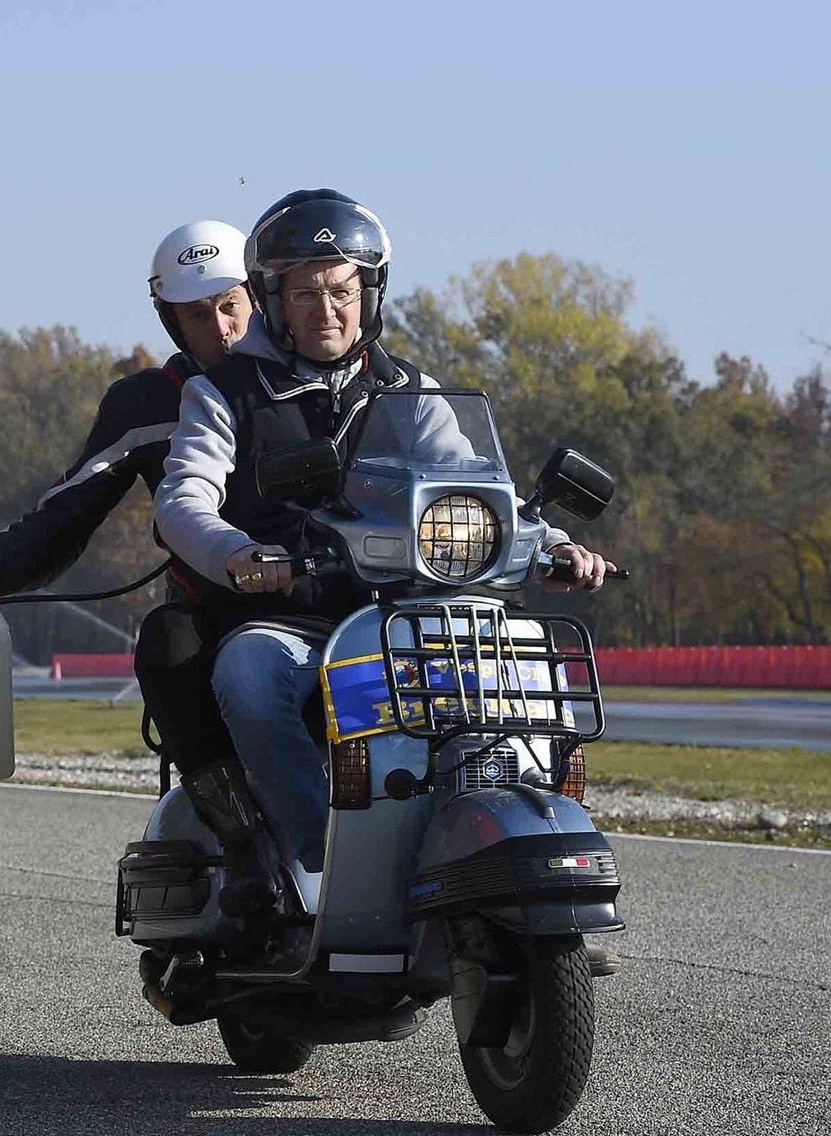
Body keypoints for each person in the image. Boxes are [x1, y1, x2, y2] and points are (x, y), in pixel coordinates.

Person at [154, 189, 617, 917]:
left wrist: (554, 544)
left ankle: (525, 855)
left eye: (343, 289)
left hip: (405, 614)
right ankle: (313, 861)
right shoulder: (224, 392)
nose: (326, 308)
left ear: (370, 293)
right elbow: (182, 501)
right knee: (246, 673)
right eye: (305, 292)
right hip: (294, 618)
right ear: (272, 298)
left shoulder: (412, 390)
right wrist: (240, 553)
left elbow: (477, 490)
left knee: (524, 657)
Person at [0, 221, 257, 793]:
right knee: (166, 645)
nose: (222, 330)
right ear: (171, 321)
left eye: (231, 306)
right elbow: (70, 511)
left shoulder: (305, 379)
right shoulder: (140, 403)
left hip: (312, 595)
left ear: (258, 296)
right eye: (198, 315)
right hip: (208, 608)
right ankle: (233, 826)